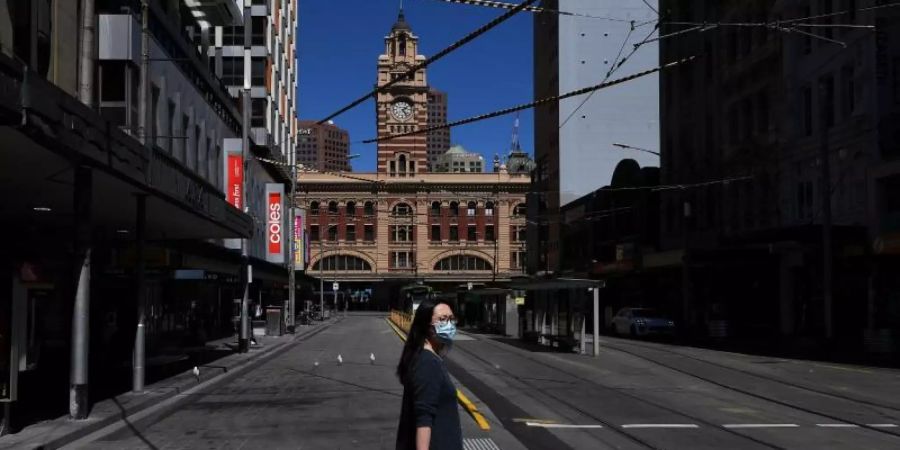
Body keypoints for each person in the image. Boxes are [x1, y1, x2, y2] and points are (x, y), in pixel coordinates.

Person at [396, 299, 462, 450]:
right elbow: (423, 420)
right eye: (442, 319)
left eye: (451, 319)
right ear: (426, 326)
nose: (449, 324)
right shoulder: (427, 363)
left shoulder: (428, 358)